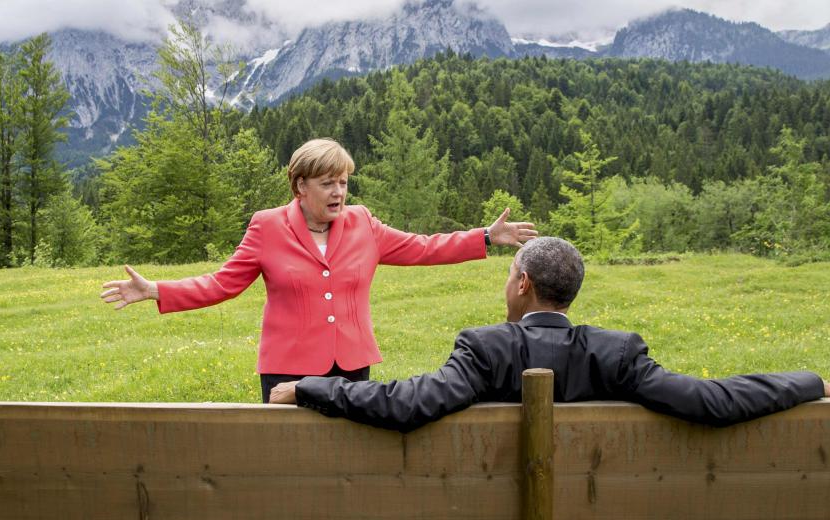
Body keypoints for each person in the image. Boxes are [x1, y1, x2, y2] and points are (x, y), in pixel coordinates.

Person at [269, 236, 830, 520]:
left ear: (522, 284)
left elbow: (408, 404)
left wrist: (313, 386)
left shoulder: (484, 348)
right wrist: (806, 382)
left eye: (510, 276)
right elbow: (712, 401)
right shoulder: (617, 353)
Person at [100, 138, 537, 402]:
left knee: (348, 458)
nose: (339, 192)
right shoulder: (266, 227)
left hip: (351, 365)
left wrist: (483, 237)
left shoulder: (363, 222)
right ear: (300, 186)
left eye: (344, 182)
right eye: (328, 183)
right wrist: (157, 289)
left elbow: (421, 247)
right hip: (287, 367)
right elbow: (222, 283)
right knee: (288, 462)